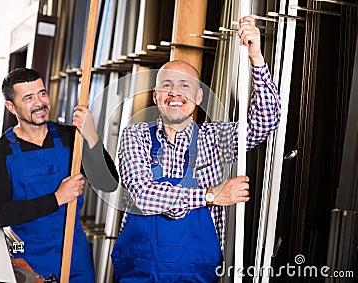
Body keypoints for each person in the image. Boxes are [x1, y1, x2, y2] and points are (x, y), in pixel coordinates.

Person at [111, 16, 281, 282]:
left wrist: (256, 59)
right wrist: (211, 196)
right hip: (139, 273)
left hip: (196, 275)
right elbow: (144, 195)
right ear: (156, 95)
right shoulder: (136, 136)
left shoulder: (216, 138)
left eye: (185, 86)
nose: (175, 93)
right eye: (167, 85)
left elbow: (266, 121)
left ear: (199, 97)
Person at [0, 68, 118, 282]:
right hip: (29, 262)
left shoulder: (69, 137)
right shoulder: (1, 152)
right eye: (28, 97)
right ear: (11, 106)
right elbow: (0, 214)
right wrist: (57, 198)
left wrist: (91, 136)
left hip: (75, 256)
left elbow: (108, 182)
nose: (40, 102)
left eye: (42, 93)